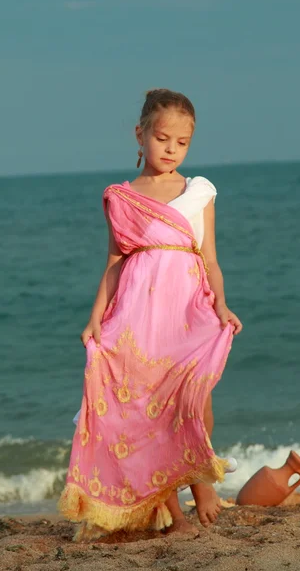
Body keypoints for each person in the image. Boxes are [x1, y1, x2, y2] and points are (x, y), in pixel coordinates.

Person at [58, 88, 243, 541]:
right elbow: (115, 262)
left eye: (182, 143)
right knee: (144, 409)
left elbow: (211, 259)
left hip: (186, 308)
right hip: (136, 313)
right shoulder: (122, 197)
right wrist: (95, 318)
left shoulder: (199, 192)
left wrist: (221, 303)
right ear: (140, 135)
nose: (171, 150)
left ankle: (202, 482)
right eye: (162, 139)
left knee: (194, 396)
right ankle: (175, 516)